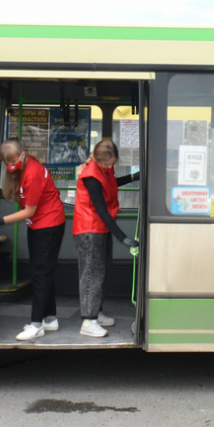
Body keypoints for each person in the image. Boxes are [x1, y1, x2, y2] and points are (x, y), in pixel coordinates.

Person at [0, 137, 66, 342]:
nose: (11, 165)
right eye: (7, 162)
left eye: (14, 160)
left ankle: (36, 324)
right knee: (43, 271)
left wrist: (0, 221)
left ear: (23, 154)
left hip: (48, 225)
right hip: (39, 224)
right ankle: (50, 318)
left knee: (40, 273)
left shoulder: (33, 173)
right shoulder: (22, 169)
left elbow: (29, 211)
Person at [73, 139, 140, 337]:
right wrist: (123, 237)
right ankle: (88, 320)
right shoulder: (91, 175)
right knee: (91, 275)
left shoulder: (103, 169)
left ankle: (96, 312)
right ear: (98, 160)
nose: (110, 167)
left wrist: (133, 177)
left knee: (103, 272)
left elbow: (112, 183)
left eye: (113, 164)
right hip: (89, 229)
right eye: (107, 164)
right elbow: (101, 210)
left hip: (100, 228)